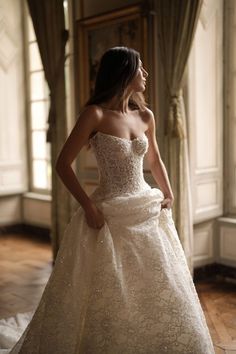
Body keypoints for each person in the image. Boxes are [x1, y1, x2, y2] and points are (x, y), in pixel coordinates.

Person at [0, 46, 215, 354]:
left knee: (157, 283)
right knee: (110, 287)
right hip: (108, 212)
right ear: (124, 72)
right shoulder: (95, 114)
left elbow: (154, 158)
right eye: (140, 68)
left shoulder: (145, 115)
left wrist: (169, 192)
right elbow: (63, 164)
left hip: (145, 207)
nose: (145, 74)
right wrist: (88, 206)